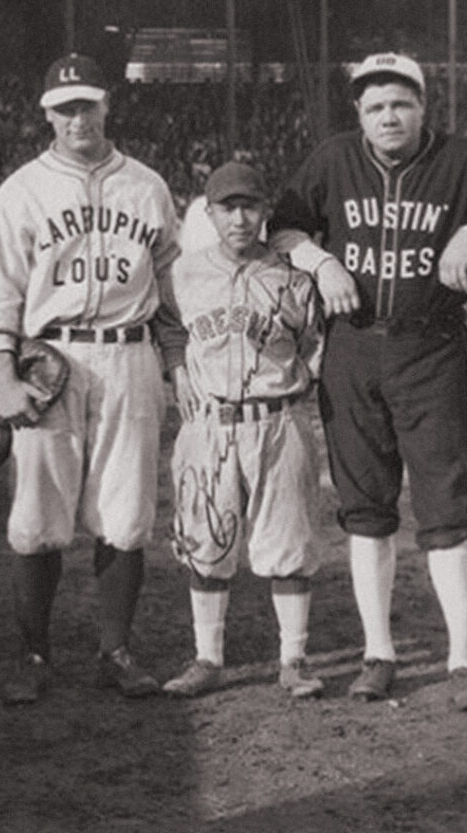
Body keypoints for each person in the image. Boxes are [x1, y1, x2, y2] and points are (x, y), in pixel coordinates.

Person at [269, 52, 467, 706]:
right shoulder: (334, 159)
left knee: (448, 510)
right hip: (354, 351)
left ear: (423, 106)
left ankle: (462, 659)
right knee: (366, 511)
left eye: (400, 103)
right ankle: (378, 653)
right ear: (359, 115)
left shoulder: (465, 161)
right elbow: (281, 225)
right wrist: (318, 259)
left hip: (433, 353)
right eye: (374, 106)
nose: (388, 116)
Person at [0, 52, 190, 704]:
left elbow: (173, 285)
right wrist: (0, 375)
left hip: (129, 355)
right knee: (37, 514)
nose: (77, 117)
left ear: (106, 106)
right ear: (47, 114)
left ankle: (115, 651)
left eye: (87, 104)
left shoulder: (147, 185)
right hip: (48, 361)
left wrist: (179, 367)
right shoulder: (21, 190)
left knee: (126, 513)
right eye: (64, 107)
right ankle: (34, 655)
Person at [162, 161, 325, 700]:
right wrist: (178, 368)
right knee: (206, 540)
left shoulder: (293, 276)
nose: (239, 218)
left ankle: (294, 659)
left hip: (279, 418)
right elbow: (166, 327)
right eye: (227, 208)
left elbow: (314, 345)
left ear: (264, 212)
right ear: (209, 213)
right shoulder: (184, 273)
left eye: (249, 206)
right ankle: (208, 657)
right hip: (210, 424)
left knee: (289, 542)